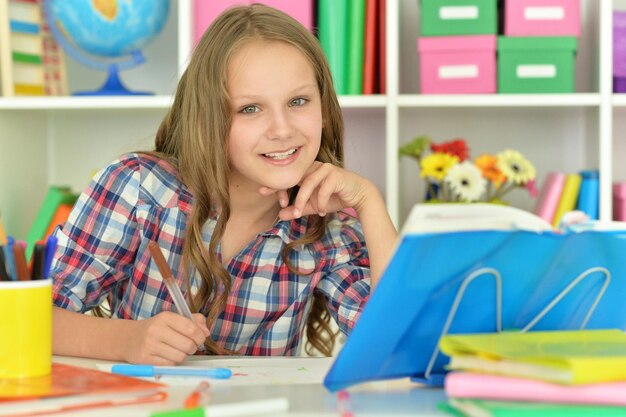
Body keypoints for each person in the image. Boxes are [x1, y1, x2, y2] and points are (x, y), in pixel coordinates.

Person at [51, 4, 398, 365]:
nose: (282, 129)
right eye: (250, 108)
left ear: (324, 109)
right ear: (209, 117)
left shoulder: (331, 226)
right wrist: (128, 341)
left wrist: (369, 202)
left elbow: (394, 345)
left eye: (298, 101)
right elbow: (25, 321)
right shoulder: (139, 191)